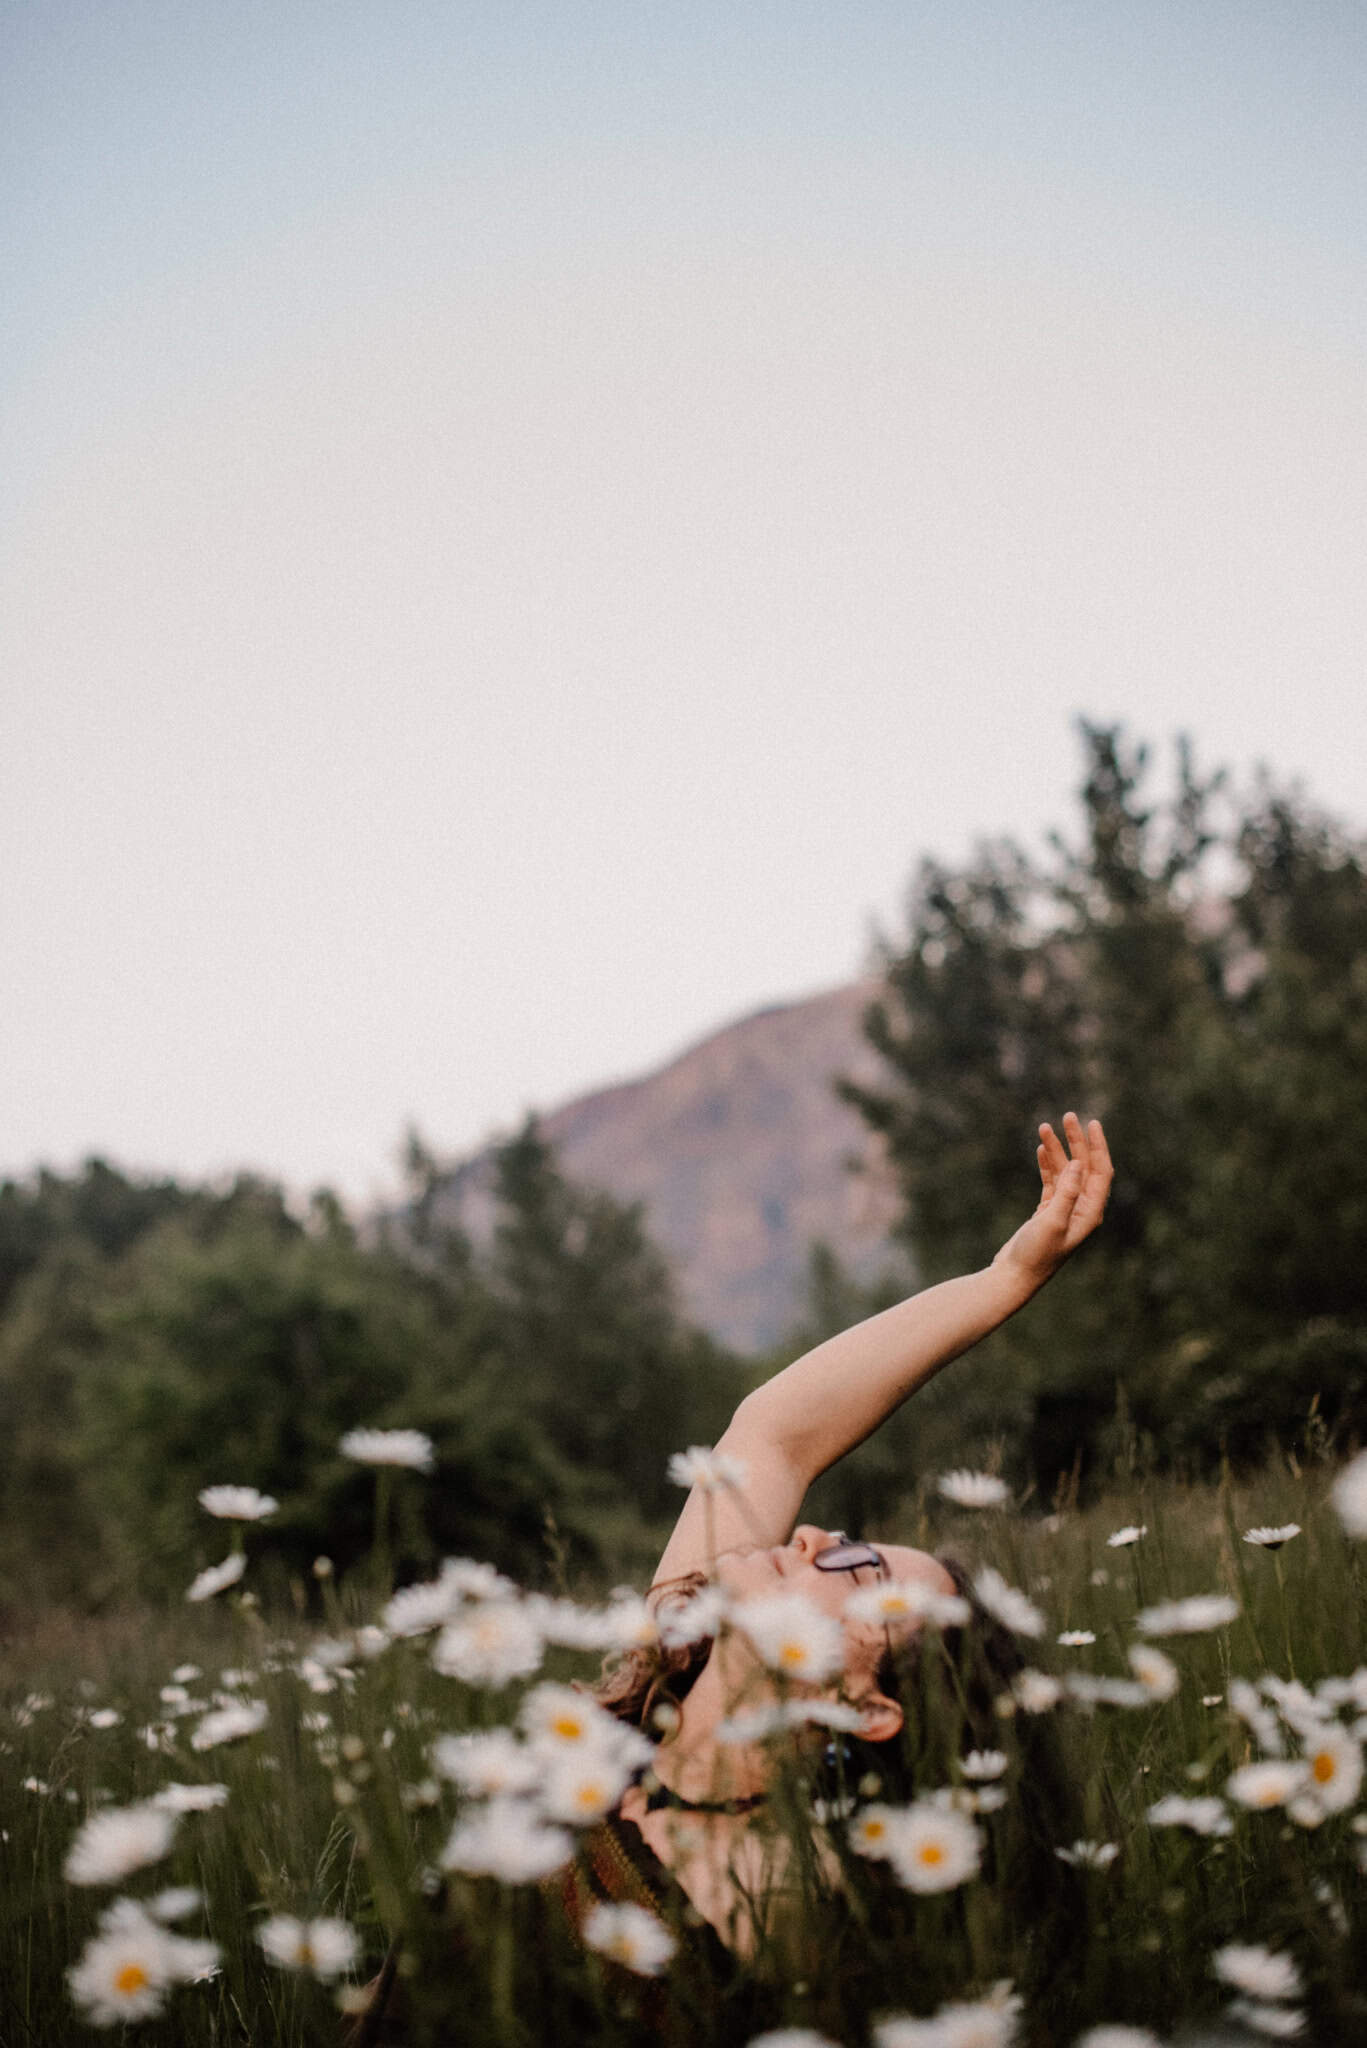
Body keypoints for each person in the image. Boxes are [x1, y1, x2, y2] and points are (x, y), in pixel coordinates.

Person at [585, 1110, 1113, 1958]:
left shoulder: (780, 1922)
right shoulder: (638, 1711)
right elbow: (776, 1435)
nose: (814, 1535)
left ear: (864, 1708)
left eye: (856, 1567)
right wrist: (1007, 1274)